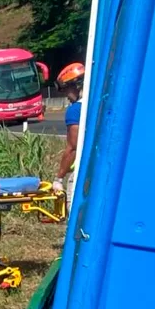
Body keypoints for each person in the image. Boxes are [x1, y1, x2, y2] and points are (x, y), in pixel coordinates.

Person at [54, 62, 85, 207]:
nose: (67, 96)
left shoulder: (76, 110)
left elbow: (73, 147)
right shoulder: (99, 104)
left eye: (66, 90)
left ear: (75, 86)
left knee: (74, 210)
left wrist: (59, 178)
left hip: (82, 168)